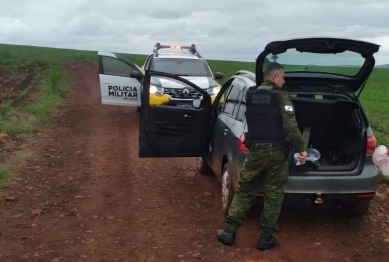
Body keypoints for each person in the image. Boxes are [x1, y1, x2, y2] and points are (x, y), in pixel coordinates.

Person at [217, 62, 307, 250]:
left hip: (256, 150)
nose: (283, 81)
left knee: (245, 190)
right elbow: (291, 126)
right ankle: (266, 238)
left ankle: (229, 232)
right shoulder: (281, 97)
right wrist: (301, 148)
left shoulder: (251, 94)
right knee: (273, 194)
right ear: (274, 77)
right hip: (277, 152)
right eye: (282, 77)